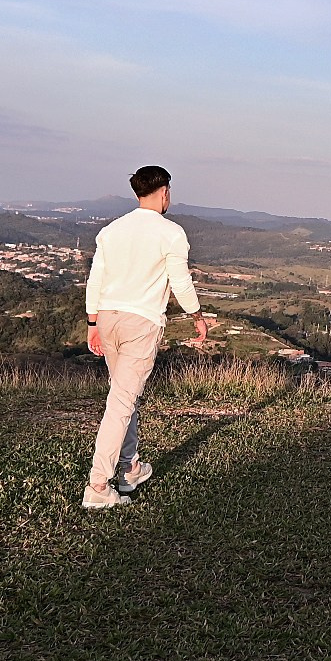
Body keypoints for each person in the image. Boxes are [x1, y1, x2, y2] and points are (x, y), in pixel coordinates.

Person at [80, 165, 209, 510]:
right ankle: (98, 485)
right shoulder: (171, 233)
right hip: (141, 322)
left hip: (107, 318)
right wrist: (197, 315)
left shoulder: (111, 231)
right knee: (121, 402)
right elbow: (180, 282)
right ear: (165, 191)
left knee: (126, 397)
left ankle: (130, 469)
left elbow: (95, 280)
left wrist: (92, 323)